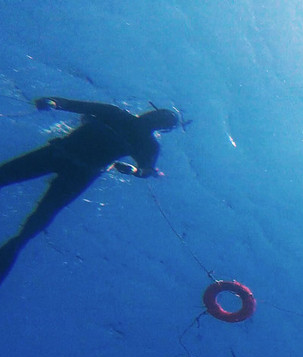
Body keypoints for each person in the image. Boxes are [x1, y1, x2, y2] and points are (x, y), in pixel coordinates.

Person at [0, 96, 179, 286]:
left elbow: (147, 171)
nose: (153, 117)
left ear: (159, 124)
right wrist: (53, 103)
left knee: (35, 221)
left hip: (69, 165)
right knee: (35, 220)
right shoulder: (125, 122)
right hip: (73, 167)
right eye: (158, 114)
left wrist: (136, 170)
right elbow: (72, 104)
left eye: (160, 118)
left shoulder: (141, 137)